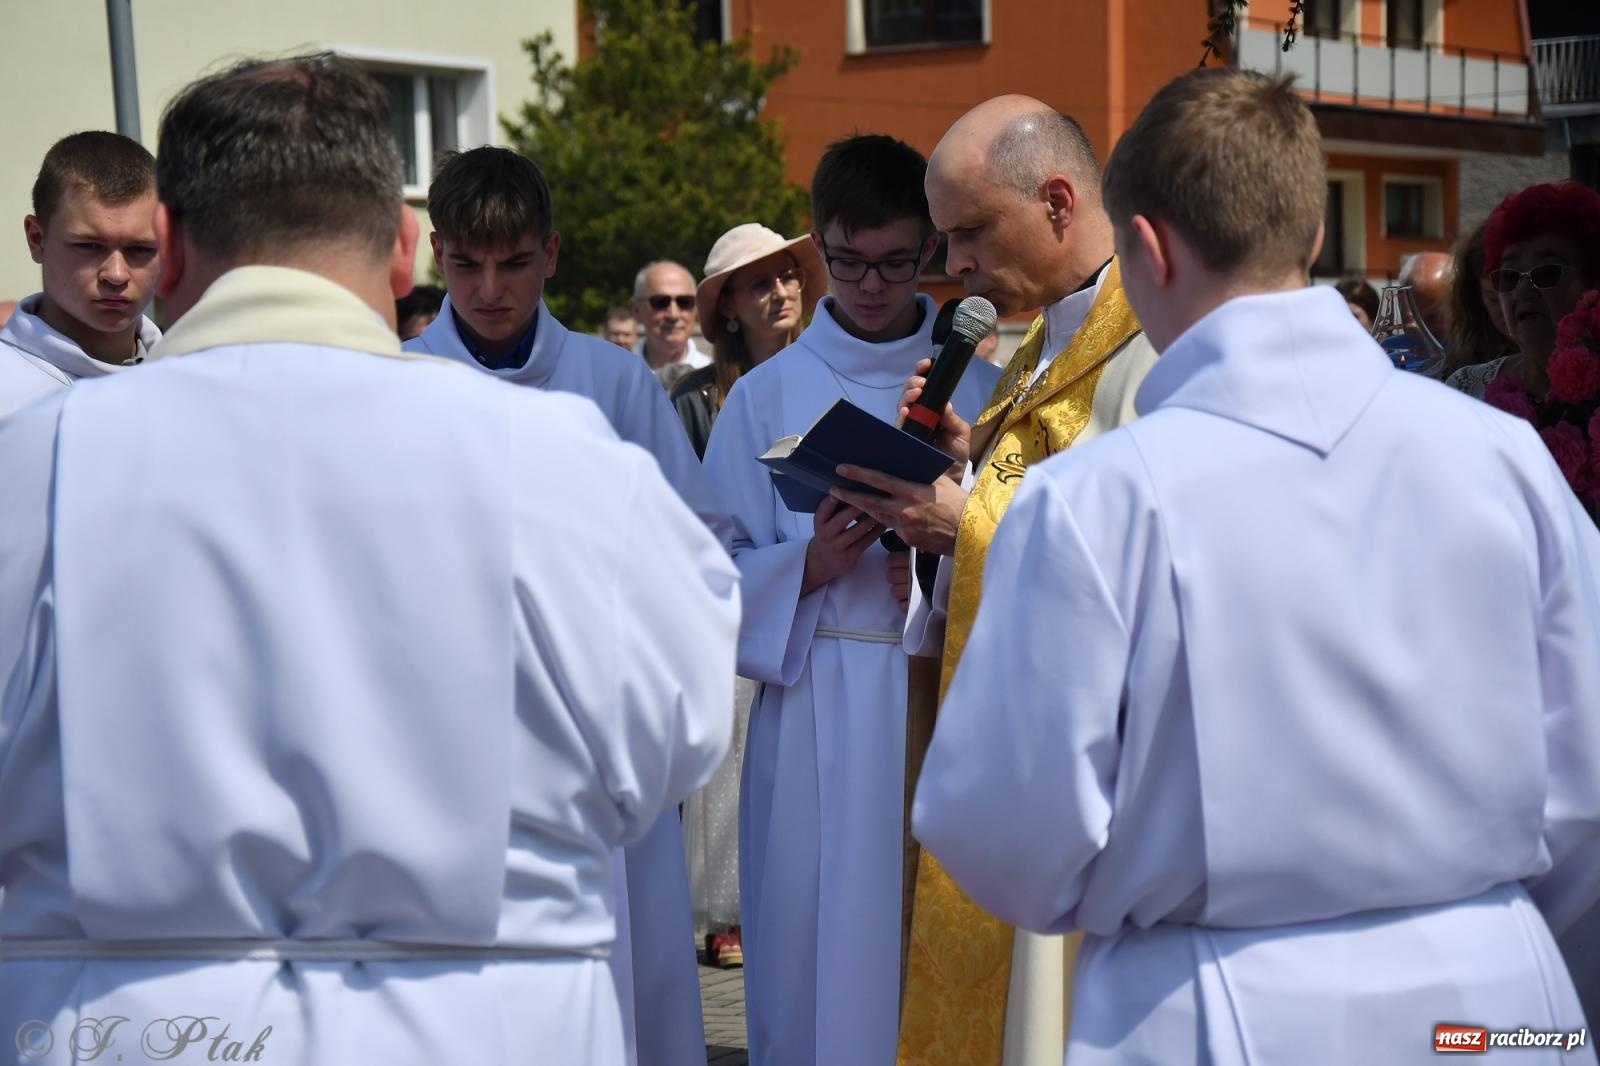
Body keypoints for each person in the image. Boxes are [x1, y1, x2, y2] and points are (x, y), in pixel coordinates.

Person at [0, 52, 739, 1064]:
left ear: (165, 248)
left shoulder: (32, 468)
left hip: (129, 1019)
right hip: (484, 1020)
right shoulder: (559, 459)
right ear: (405, 252)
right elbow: (678, 734)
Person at [912, 66, 1600, 1066]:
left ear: (1140, 245)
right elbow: (1584, 779)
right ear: (1311, 235)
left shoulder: (1098, 499)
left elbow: (998, 834)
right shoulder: (1504, 459)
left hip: (1213, 1002)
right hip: (1493, 1004)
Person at [829, 97, 1159, 1066]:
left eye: (969, 233)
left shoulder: (1149, 342)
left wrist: (960, 519)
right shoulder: (1038, 344)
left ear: (1058, 200)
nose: (955, 267)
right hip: (1016, 770)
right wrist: (970, 467)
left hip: (1091, 791)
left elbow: (1131, 547)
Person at [403, 144, 726, 1066]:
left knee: (621, 988)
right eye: (465, 264)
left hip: (590, 733)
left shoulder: (614, 382)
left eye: (513, 263)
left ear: (550, 252)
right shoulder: (400, 382)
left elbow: (689, 548)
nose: (490, 288)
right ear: (436, 256)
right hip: (449, 740)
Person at [701, 134, 999, 1066]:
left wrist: (944, 532)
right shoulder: (764, 394)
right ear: (816, 247)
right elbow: (704, 573)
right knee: (807, 948)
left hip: (937, 702)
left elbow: (1019, 546)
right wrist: (807, 567)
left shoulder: (977, 392)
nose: (871, 285)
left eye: (897, 262)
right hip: (810, 701)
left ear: (931, 249)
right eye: (849, 262)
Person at [0, 131, 160, 419]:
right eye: (89, 246)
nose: (116, 274)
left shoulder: (195, 383)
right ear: (37, 239)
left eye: (140, 248)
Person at [670, 222, 821, 458]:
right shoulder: (693, 399)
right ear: (728, 306)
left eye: (788, 276)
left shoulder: (830, 378)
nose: (781, 294)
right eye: (760, 284)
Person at [1441, 219, 1516, 379]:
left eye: (1513, 293)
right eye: (1493, 299)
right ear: (1476, 297)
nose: (1505, 309)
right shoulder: (1466, 368)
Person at [633, 260, 710, 372]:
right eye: (660, 302)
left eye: (685, 302)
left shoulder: (717, 379)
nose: (673, 315)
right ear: (636, 310)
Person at [1398, 249, 1452, 340]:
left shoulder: (1475, 351)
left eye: (1432, 317)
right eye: (1412, 316)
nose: (1413, 325)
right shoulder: (1383, 351)